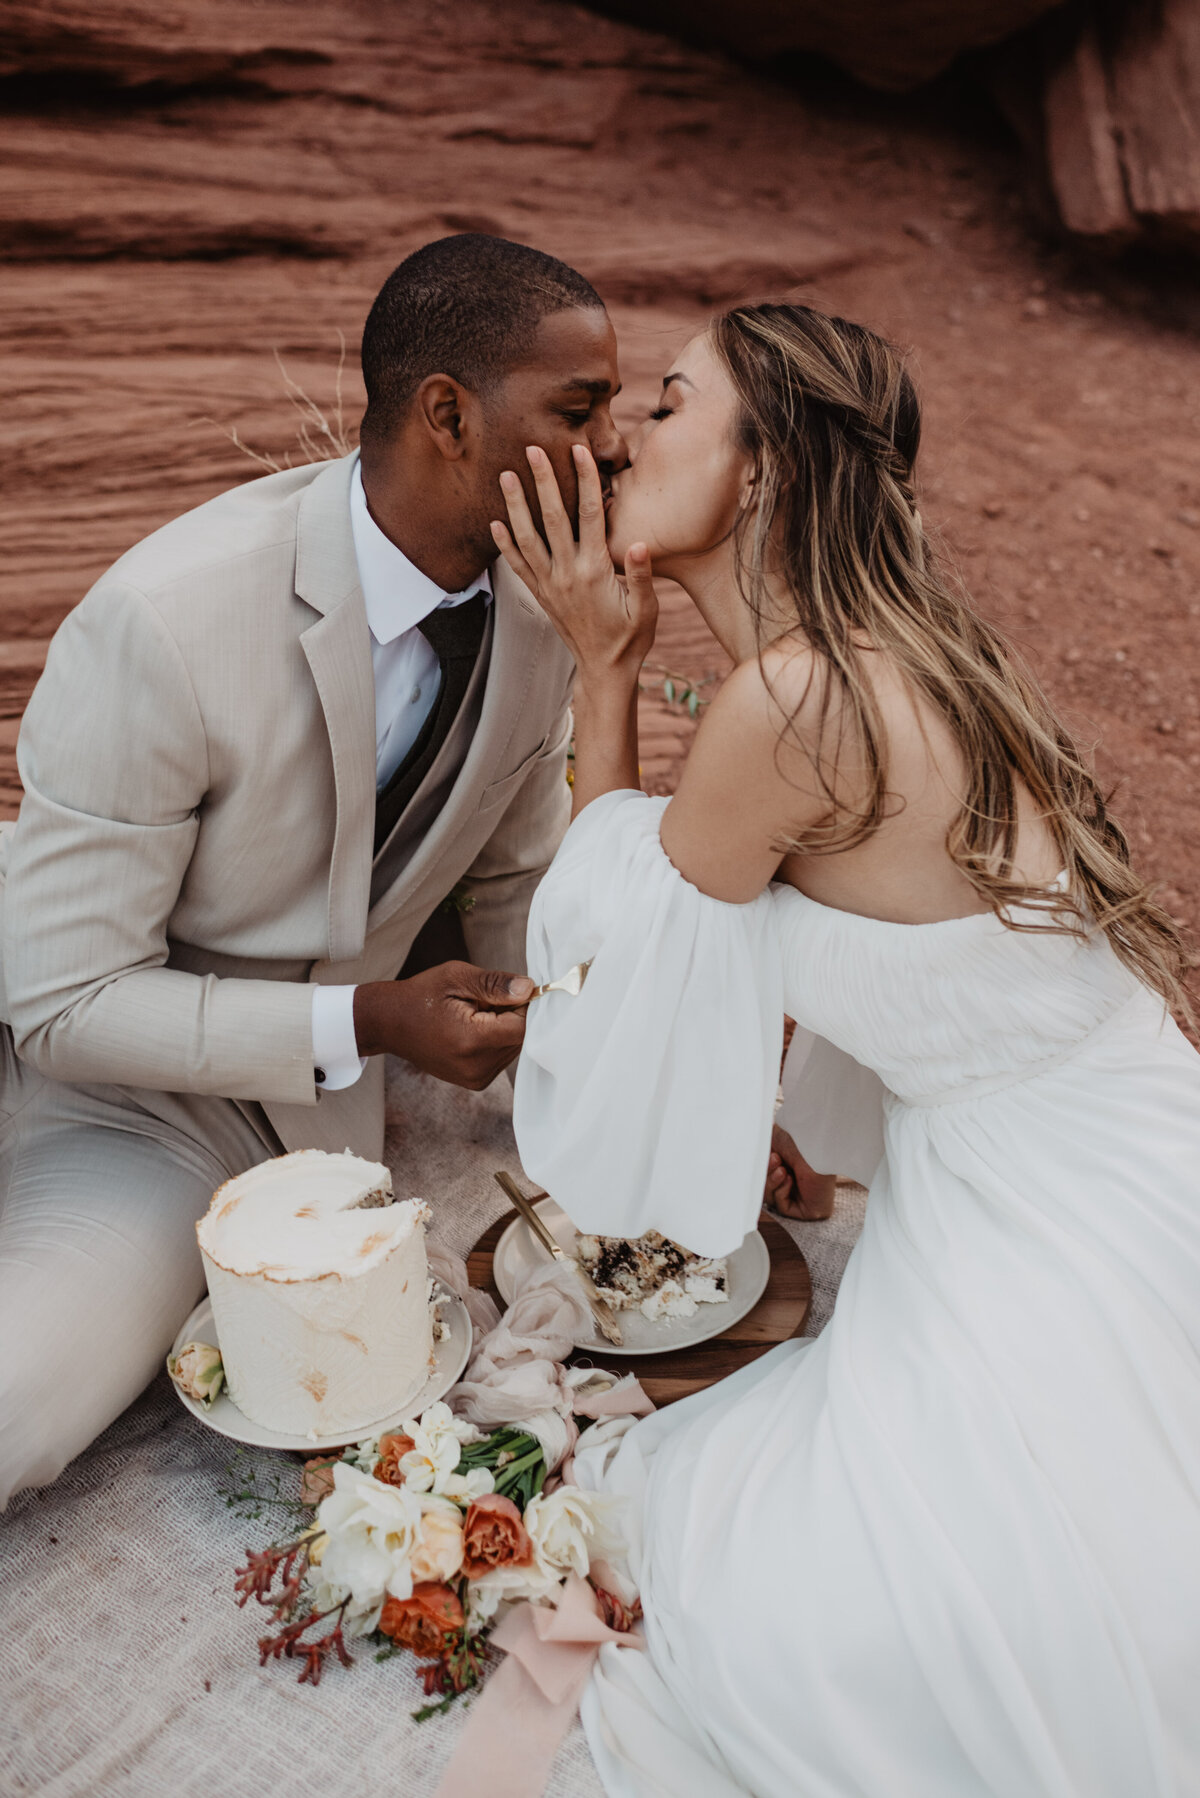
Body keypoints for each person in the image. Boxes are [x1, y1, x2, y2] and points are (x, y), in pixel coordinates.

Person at [496, 304, 1200, 1796]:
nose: (622, 432)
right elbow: (830, 948)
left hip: (1057, 1200)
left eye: (670, 405)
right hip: (1094, 1131)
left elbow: (621, 979)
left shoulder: (794, 699)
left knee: (825, 1622)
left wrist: (605, 667)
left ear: (762, 475)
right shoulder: (891, 652)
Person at [0, 233, 633, 1509]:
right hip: (93, 1066)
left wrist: (651, 1099)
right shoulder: (165, 624)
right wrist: (370, 1020)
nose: (616, 442)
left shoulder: (544, 613)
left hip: (234, 1126)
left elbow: (521, 891)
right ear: (446, 416)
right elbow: (61, 1006)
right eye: (583, 406)